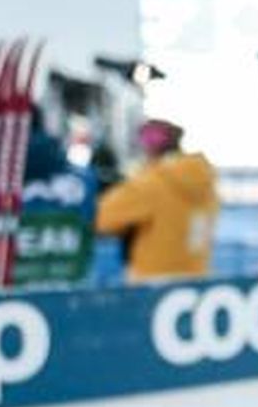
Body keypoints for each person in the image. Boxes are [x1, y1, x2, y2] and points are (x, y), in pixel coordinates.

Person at [93, 118, 219, 283]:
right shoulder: (205, 179)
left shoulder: (151, 182)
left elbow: (100, 218)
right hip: (196, 280)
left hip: (151, 283)